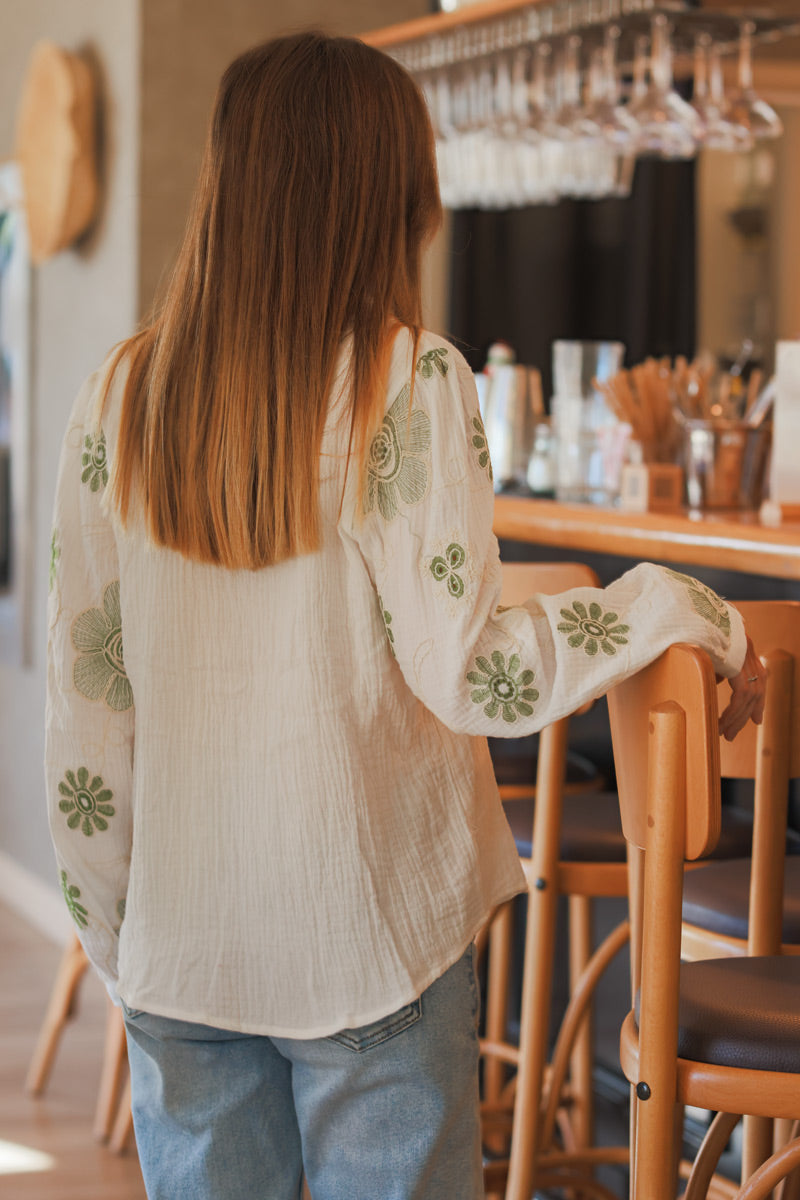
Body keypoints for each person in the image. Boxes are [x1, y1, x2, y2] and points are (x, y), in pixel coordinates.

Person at [45, 31, 766, 1200]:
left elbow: (87, 712)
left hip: (181, 955)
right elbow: (477, 676)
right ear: (388, 196)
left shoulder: (116, 400)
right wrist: (669, 602)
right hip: (367, 943)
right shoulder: (409, 380)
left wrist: (119, 938)